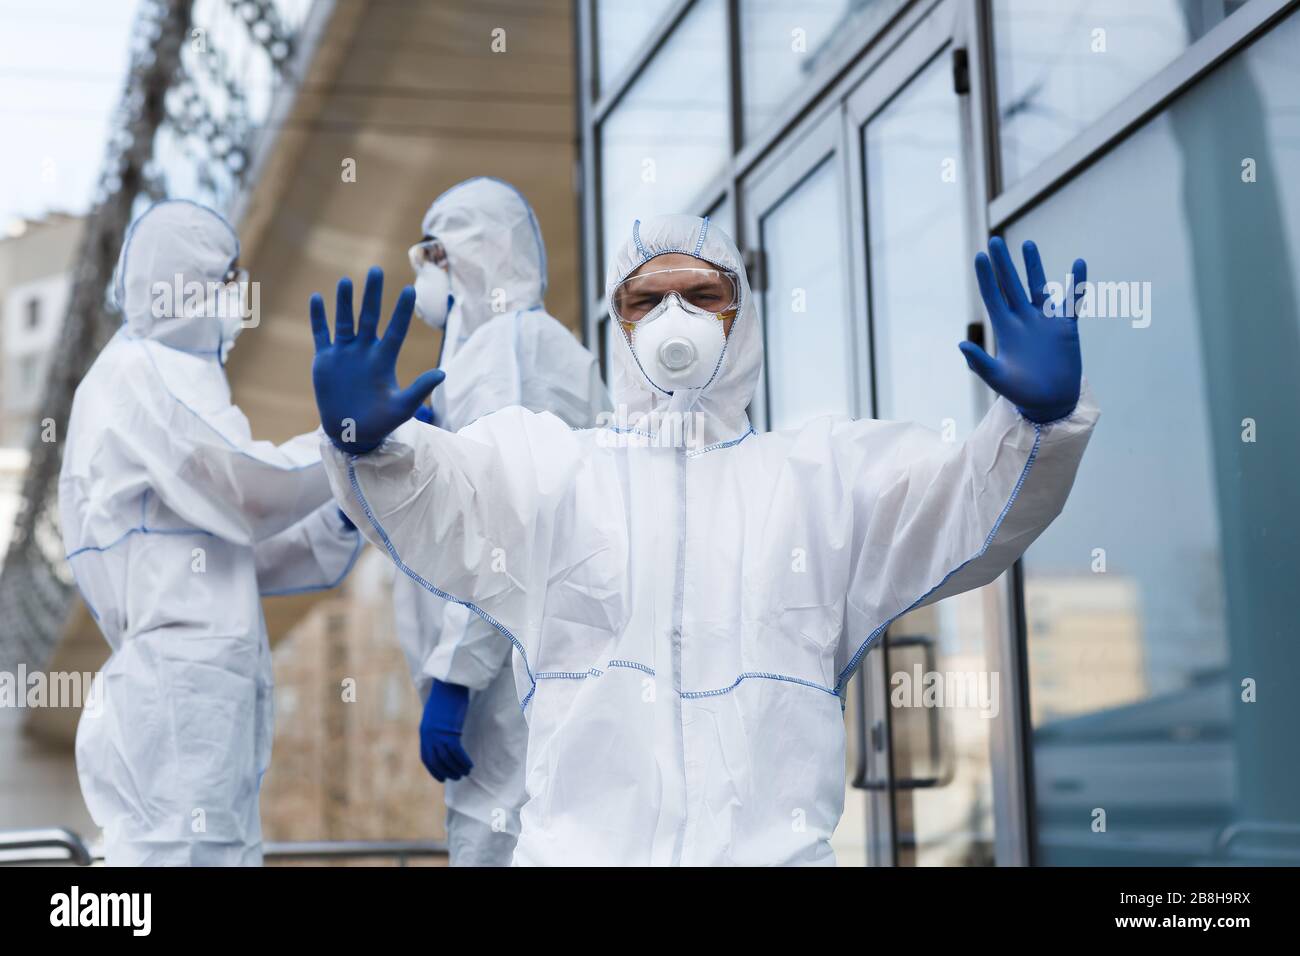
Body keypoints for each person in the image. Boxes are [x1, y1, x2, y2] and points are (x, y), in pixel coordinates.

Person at [308, 214, 1098, 865]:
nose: (672, 318)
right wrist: (369, 446)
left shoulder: (816, 478)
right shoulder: (556, 470)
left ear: (740, 316)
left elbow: (959, 508)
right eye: (646, 301)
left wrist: (1034, 428)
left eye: (702, 295)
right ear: (618, 324)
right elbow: (445, 494)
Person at [59, 199, 362, 866]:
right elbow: (248, 493)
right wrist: (344, 442)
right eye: (228, 279)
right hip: (178, 700)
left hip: (200, 703)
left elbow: (239, 551)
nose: (239, 296)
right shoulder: (140, 376)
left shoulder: (174, 378)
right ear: (183, 281)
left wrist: (342, 508)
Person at [396, 177, 610, 866]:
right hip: (521, 672)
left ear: (474, 251)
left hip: (512, 680)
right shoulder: (509, 349)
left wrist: (456, 675)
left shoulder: (510, 350)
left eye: (431, 254)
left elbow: (508, 518)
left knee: (506, 843)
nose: (422, 275)